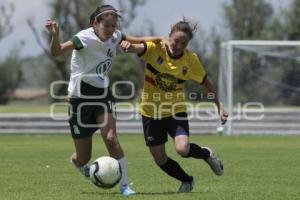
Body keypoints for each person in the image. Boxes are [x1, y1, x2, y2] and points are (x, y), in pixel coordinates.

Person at [45, 4, 161, 196]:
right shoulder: (84, 38)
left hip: (102, 95)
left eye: (114, 25)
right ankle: (78, 163)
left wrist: (161, 39)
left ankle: (125, 185)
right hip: (79, 99)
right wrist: (55, 35)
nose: (111, 29)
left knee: (111, 139)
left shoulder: (114, 36)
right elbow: (57, 51)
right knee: (83, 157)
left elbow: (138, 40)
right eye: (106, 25)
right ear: (95, 23)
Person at [122, 18, 229, 192]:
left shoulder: (190, 59)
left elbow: (206, 83)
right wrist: (129, 47)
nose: (179, 45)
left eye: (184, 43)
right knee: (160, 159)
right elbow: (134, 45)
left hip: (175, 111)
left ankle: (206, 154)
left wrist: (219, 106)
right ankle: (186, 180)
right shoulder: (155, 48)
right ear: (169, 35)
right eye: (176, 40)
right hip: (150, 112)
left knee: (182, 149)